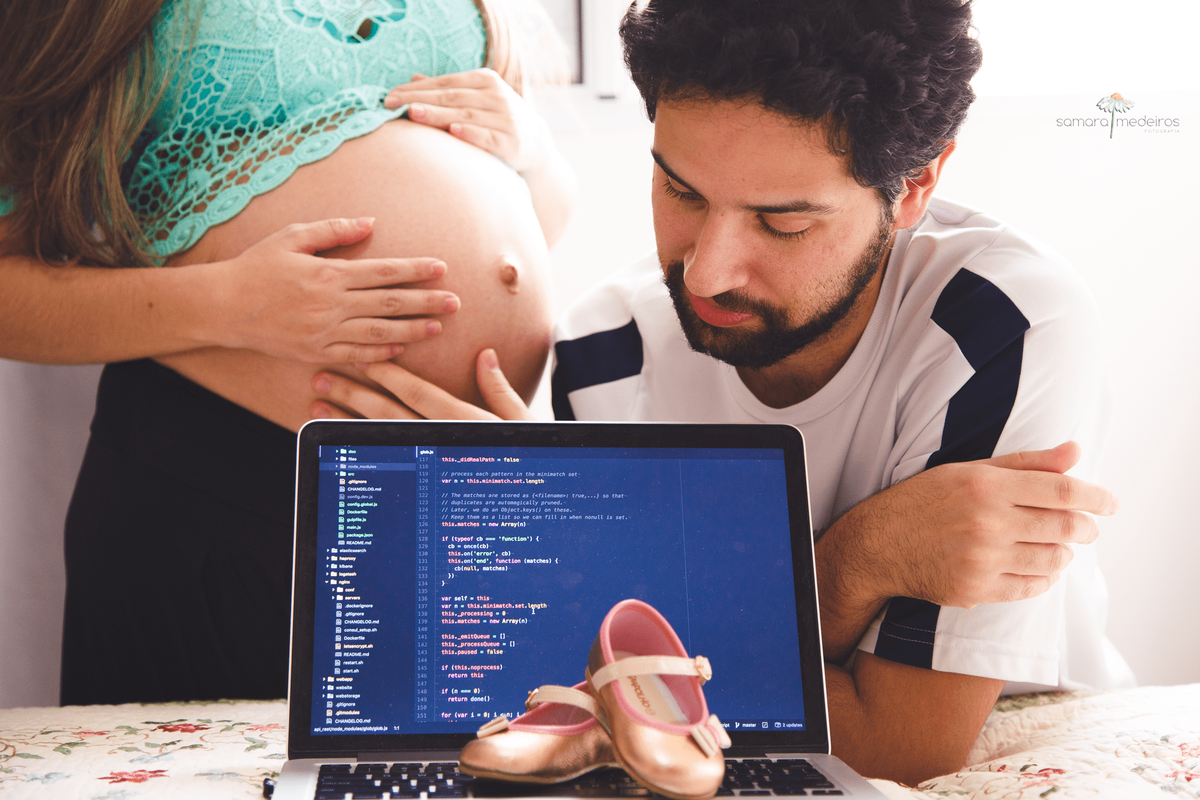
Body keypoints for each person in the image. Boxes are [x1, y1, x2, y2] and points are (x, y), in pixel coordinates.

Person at [308, 0, 1136, 786]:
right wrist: (859, 560)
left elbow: (900, 742)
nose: (705, 272)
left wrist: (685, 643)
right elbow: (637, 700)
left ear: (915, 184)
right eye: (681, 190)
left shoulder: (1001, 331)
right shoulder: (606, 354)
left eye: (782, 223)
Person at [0, 0, 572, 704]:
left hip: (453, 494)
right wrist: (232, 304)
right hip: (214, 478)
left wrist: (536, 156)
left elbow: (541, 219)